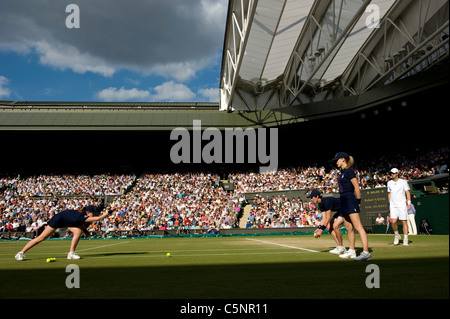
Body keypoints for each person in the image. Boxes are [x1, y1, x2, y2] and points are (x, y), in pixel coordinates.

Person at [15, 205, 115, 261]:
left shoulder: (81, 216)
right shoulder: (82, 216)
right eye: (93, 213)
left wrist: (86, 231)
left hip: (65, 221)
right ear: (88, 212)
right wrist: (110, 210)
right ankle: (20, 253)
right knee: (41, 238)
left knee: (78, 231)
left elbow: (78, 224)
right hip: (57, 220)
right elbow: (99, 218)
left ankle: (71, 253)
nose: (94, 215)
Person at [331, 152, 371, 261]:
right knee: (348, 227)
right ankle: (352, 251)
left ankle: (366, 252)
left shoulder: (349, 171)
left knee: (358, 227)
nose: (336, 162)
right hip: (343, 200)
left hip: (350, 199)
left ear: (343, 159)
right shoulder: (342, 173)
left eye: (337, 160)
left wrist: (358, 201)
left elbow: (357, 188)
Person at [307, 189, 354, 256]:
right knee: (328, 226)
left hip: (345, 208)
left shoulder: (326, 201)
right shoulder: (320, 205)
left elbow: (328, 217)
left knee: (335, 226)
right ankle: (340, 247)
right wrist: (319, 228)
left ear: (317, 196)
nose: (311, 199)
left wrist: (321, 230)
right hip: (339, 211)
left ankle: (341, 247)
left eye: (312, 197)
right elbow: (324, 218)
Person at [387, 168, 411, 245]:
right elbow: (389, 194)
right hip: (393, 205)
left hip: (402, 204)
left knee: (404, 221)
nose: (392, 175)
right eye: (391, 173)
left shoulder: (403, 182)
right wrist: (390, 204)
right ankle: (397, 235)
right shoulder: (389, 183)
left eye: (393, 173)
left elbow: (407, 192)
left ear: (397, 173)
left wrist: (409, 203)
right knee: (393, 221)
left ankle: (406, 239)